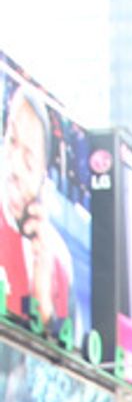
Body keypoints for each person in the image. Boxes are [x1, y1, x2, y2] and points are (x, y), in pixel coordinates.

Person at [0, 83, 73, 329]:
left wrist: (42, 292)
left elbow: (52, 358)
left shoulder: (57, 262)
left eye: (29, 161)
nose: (14, 167)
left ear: (43, 177)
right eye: (11, 141)